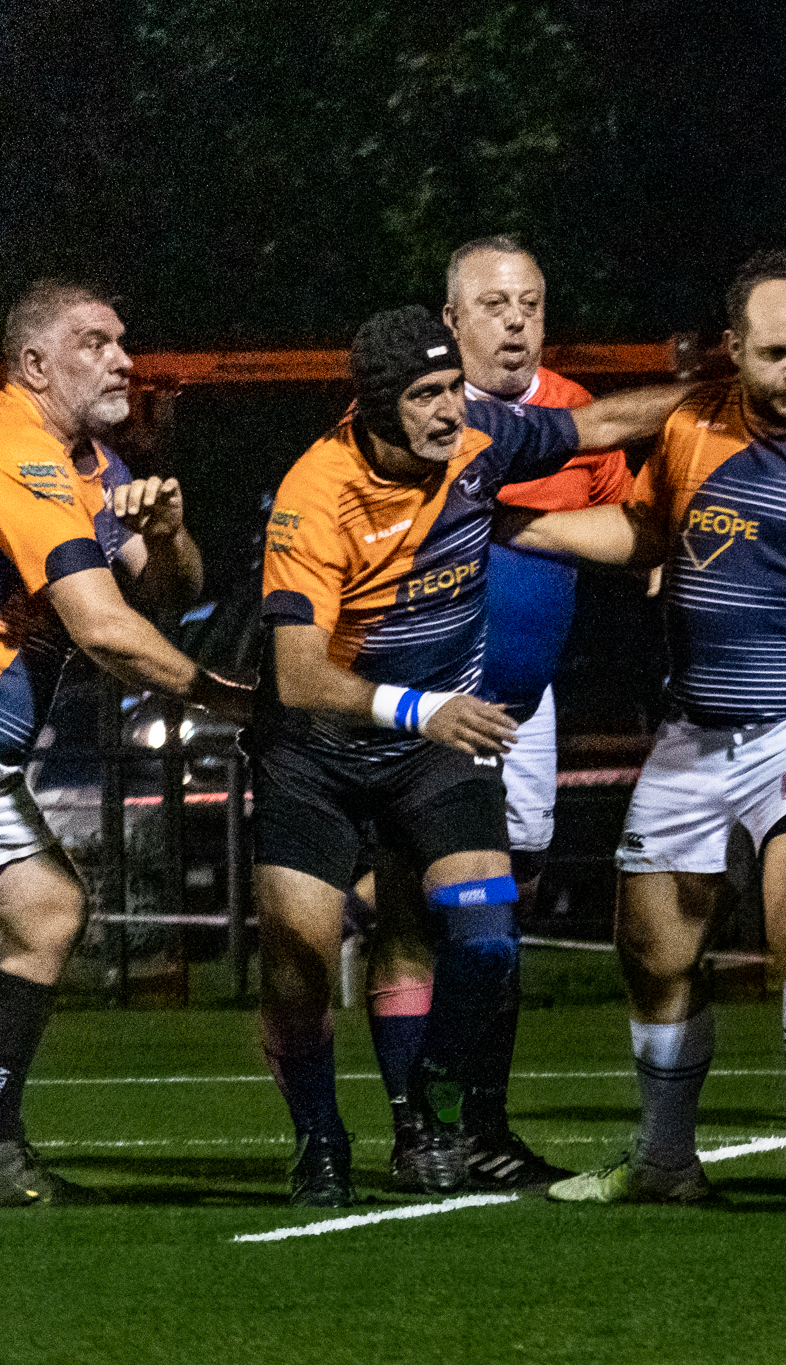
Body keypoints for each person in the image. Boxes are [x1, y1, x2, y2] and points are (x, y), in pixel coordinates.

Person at [250, 305, 689, 1207]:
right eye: (425, 396)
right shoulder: (315, 492)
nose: (451, 411)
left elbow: (598, 424)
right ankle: (321, 1136)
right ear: (374, 411)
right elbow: (297, 675)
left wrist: (724, 395)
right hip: (321, 751)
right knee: (297, 961)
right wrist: (423, 707)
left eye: (454, 387)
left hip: (429, 743)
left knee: (483, 936)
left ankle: (427, 1110)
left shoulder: (479, 434)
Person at [513, 252, 786, 1217]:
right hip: (697, 726)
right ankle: (665, 1160)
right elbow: (646, 534)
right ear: (733, 347)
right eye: (776, 352)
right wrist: (512, 522)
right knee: (651, 951)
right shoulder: (691, 426)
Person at [361, 237, 629, 1194]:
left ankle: (481, 1123)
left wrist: (521, 525)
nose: (515, 320)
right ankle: (417, 1127)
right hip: (423, 708)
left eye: (532, 302)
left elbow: (632, 533)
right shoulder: (407, 416)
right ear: (451, 320)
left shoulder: (574, 418)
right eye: (493, 303)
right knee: (413, 909)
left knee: (494, 917)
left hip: (523, 709)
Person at [0, 280, 251, 1205]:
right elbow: (104, 628)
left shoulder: (94, 466)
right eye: (95, 342)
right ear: (34, 365)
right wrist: (227, 697)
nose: (124, 359)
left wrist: (170, 531)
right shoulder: (15, 449)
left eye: (122, 340)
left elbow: (169, 594)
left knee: (45, 912)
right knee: (46, 908)